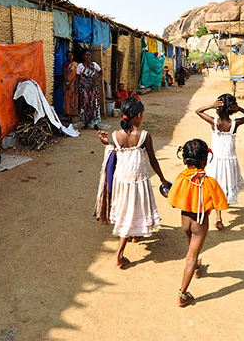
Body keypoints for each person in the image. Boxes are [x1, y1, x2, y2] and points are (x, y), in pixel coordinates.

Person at [97, 97, 171, 267]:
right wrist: (162, 178)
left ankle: (135, 235)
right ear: (138, 115)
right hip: (138, 180)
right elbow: (153, 161)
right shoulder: (144, 136)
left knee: (126, 208)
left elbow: (113, 151)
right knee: (132, 211)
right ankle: (119, 255)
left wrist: (105, 143)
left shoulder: (116, 136)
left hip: (122, 181)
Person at [166, 139, 228, 307]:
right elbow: (220, 203)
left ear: (184, 160)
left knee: (192, 251)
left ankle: (197, 269)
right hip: (200, 224)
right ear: (205, 160)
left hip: (185, 221)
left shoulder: (181, 178)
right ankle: (182, 295)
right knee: (191, 257)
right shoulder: (209, 182)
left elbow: (172, 200)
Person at [195, 93, 244, 229]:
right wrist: (240, 109)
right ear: (232, 109)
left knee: (216, 187)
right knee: (223, 187)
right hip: (229, 161)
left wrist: (211, 105)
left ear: (218, 108)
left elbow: (198, 111)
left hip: (215, 161)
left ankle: (218, 217)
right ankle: (219, 216)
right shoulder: (234, 124)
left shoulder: (214, 122)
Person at [77, 50, 102, 130]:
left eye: (89, 55)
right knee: (85, 105)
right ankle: (86, 124)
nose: (88, 56)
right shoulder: (80, 66)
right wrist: (78, 88)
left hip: (93, 88)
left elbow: (101, 72)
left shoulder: (94, 65)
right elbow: (77, 77)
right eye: (86, 55)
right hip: (84, 89)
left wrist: (97, 79)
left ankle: (95, 124)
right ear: (83, 56)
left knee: (94, 105)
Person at [62, 51, 79, 118]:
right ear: (66, 57)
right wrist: (67, 83)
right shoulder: (65, 64)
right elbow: (65, 75)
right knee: (68, 98)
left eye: (71, 55)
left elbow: (77, 74)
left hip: (75, 84)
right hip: (68, 84)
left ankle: (74, 112)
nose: (70, 57)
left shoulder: (75, 64)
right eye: (68, 56)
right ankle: (68, 112)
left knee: (75, 97)